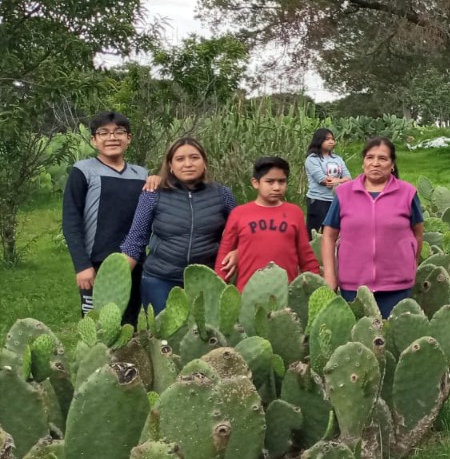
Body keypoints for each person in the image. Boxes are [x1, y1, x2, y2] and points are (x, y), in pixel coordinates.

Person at [121, 137, 237, 314]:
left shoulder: (222, 194)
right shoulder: (153, 194)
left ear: (204, 162)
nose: (188, 164)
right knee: (163, 338)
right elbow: (136, 239)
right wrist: (117, 279)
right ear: (170, 165)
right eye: (180, 159)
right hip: (160, 279)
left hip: (206, 278)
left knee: (203, 338)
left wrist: (237, 252)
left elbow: (241, 231)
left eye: (194, 157)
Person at [63, 111, 149, 324]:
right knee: (96, 326)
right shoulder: (83, 171)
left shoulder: (142, 175)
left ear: (129, 138)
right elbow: (71, 221)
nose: (112, 138)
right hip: (96, 262)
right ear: (94, 140)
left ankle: (125, 359)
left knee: (129, 323)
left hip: (134, 262)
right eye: (104, 133)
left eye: (119, 132)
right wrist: (82, 266)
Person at [322, 138, 424, 317]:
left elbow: (418, 234)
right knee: (358, 340)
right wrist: (330, 275)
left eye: (382, 158)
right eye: (370, 157)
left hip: (397, 286)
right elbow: (329, 236)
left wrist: (410, 265)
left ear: (392, 165)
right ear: (363, 162)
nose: (375, 163)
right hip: (353, 285)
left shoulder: (407, 193)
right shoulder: (344, 193)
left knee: (393, 340)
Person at [215, 157, 320, 291]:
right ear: (255, 183)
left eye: (281, 181)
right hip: (248, 295)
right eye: (270, 182)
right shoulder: (239, 214)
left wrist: (317, 287)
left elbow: (306, 257)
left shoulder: (295, 213)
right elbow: (224, 257)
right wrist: (219, 289)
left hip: (286, 294)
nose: (276, 187)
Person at [304, 128, 352, 236]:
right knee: (315, 233)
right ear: (319, 141)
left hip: (336, 199)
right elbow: (323, 179)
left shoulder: (338, 159)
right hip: (318, 200)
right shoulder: (312, 159)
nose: (331, 141)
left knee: (333, 231)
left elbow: (348, 178)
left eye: (332, 139)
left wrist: (337, 180)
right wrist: (340, 181)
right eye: (327, 139)